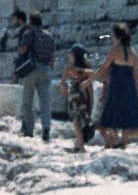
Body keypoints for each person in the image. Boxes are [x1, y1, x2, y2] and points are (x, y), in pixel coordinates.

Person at [93, 23, 138, 148]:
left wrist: (89, 80)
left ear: (117, 36)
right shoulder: (133, 52)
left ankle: (115, 141)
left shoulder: (115, 49)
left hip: (116, 85)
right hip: (129, 86)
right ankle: (123, 144)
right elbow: (135, 75)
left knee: (108, 114)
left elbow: (103, 68)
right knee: (127, 115)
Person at [16, 12, 55, 142]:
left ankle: (29, 130)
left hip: (31, 69)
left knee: (28, 101)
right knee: (45, 101)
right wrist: (50, 68)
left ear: (31, 22)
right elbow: (52, 56)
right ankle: (46, 130)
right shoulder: (49, 35)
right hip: (46, 69)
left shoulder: (29, 33)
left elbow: (22, 49)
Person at [59, 44, 94, 153]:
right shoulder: (87, 71)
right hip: (84, 97)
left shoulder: (69, 68)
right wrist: (91, 104)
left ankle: (82, 148)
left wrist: (64, 90)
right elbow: (90, 89)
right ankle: (78, 145)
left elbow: (63, 83)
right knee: (82, 122)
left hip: (74, 97)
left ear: (74, 55)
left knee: (76, 123)